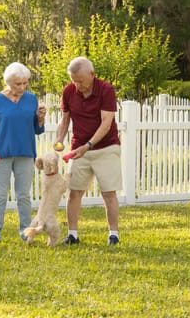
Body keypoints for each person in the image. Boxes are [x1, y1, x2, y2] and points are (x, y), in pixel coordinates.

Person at [54, 56, 122, 246]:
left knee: (109, 192)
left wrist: (89, 146)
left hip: (106, 147)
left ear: (92, 75)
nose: (77, 85)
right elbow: (65, 120)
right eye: (73, 80)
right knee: (74, 192)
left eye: (81, 81)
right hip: (78, 149)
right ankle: (73, 235)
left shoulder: (106, 90)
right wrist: (59, 138)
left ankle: (113, 235)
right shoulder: (68, 91)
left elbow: (106, 123)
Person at [0, 62, 47, 244]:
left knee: (23, 196)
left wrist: (40, 119)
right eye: (18, 84)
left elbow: (37, 129)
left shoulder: (31, 99)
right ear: (8, 82)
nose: (23, 87)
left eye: (25, 83)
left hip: (25, 153)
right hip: (1, 155)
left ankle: (26, 232)